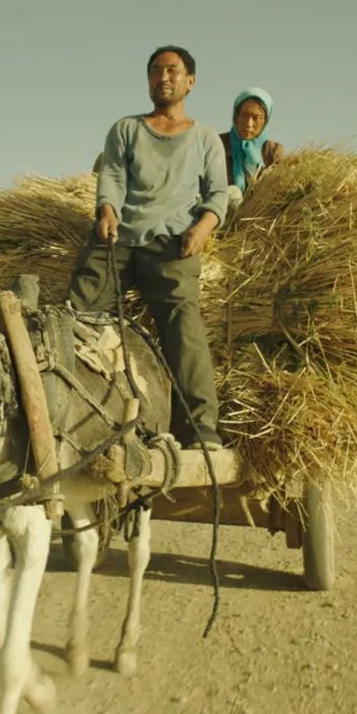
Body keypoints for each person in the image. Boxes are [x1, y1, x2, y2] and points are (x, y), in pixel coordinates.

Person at [68, 45, 229, 450]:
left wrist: (202, 229)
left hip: (172, 244)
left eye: (172, 71)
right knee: (74, 316)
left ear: (190, 81)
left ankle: (201, 428)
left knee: (183, 325)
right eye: (156, 71)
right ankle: (65, 413)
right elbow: (112, 180)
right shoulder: (125, 130)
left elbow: (216, 196)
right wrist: (106, 211)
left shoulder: (206, 139)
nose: (164, 78)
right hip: (118, 240)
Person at [220, 87, 285, 207]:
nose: (249, 124)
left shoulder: (273, 151)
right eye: (244, 115)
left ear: (265, 121)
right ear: (236, 116)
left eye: (256, 118)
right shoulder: (218, 144)